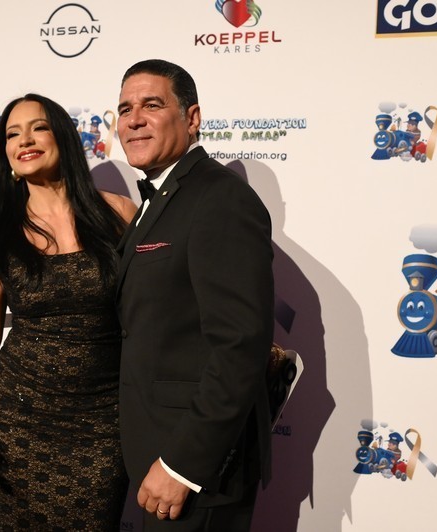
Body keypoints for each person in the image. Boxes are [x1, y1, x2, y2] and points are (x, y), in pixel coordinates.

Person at [0, 93, 137, 529]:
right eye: (13, 134)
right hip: (19, 421)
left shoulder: (119, 213)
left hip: (103, 422)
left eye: (38, 128)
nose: (25, 140)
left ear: (63, 138)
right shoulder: (0, 237)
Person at [115, 59, 274, 531]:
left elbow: (240, 345)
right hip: (156, 457)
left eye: (152, 105)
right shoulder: (162, 200)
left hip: (193, 471)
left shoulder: (219, 198)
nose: (134, 120)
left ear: (192, 118)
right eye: (124, 109)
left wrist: (183, 465)